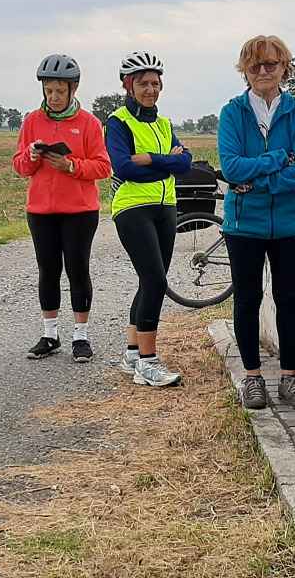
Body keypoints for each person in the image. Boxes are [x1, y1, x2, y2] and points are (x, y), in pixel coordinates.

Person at [217, 35, 295, 411]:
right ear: (245, 69)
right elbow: (231, 166)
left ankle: (289, 378)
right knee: (247, 299)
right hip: (244, 225)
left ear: (283, 68)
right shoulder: (232, 113)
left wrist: (256, 184)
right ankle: (252, 377)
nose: (262, 71)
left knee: (288, 299)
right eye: (255, 65)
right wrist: (278, 157)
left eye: (270, 64)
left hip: (290, 223)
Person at [13, 54, 111, 362]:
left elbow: (103, 166)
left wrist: (71, 166)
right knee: (48, 270)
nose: (54, 97)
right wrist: (30, 155)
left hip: (80, 211)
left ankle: (80, 336)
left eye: (60, 91)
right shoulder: (32, 121)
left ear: (73, 88)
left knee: (77, 270)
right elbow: (20, 167)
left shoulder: (89, 123)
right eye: (49, 90)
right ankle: (49, 333)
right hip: (41, 210)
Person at [105, 51, 192, 387]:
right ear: (129, 85)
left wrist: (150, 159)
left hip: (165, 205)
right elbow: (123, 167)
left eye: (155, 83)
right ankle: (148, 361)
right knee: (156, 280)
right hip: (132, 208)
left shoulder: (165, 124)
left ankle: (131, 352)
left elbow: (184, 164)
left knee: (149, 279)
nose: (150, 89)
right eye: (143, 83)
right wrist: (164, 163)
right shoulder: (117, 122)